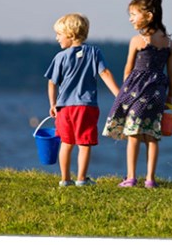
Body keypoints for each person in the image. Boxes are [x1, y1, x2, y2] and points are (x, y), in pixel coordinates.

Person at [102, 0, 172, 188]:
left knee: (133, 134)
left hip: (137, 92)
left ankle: (131, 177)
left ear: (148, 16)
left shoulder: (138, 41)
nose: (131, 20)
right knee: (152, 136)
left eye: (133, 15)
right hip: (158, 93)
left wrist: (124, 95)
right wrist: (170, 96)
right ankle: (151, 179)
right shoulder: (168, 42)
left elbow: (128, 70)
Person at [44, 13, 120, 187]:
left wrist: (52, 104)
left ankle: (65, 179)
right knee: (84, 144)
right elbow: (105, 74)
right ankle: (81, 179)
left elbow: (51, 83)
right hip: (86, 107)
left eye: (59, 34)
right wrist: (118, 94)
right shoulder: (94, 52)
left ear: (70, 35)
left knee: (66, 142)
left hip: (64, 108)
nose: (57, 38)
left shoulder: (60, 57)